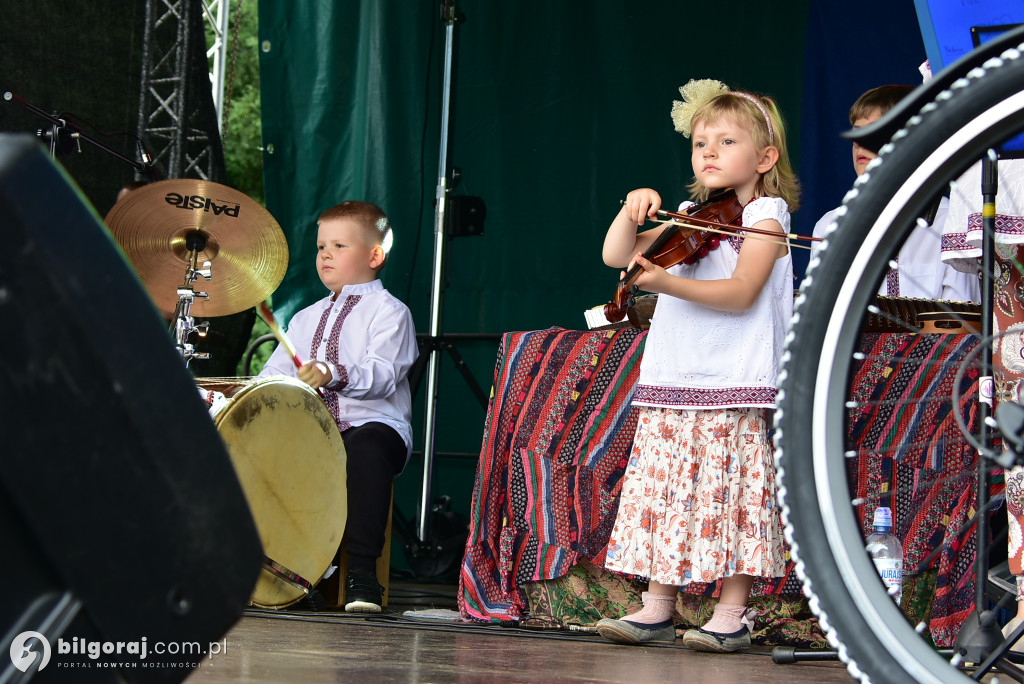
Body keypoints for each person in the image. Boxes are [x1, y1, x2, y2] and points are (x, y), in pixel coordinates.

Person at [595, 78, 797, 652]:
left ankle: (733, 612)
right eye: (699, 143)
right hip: (676, 376)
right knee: (666, 491)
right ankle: (657, 605)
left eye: (725, 142)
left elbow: (740, 293)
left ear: (764, 158)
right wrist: (631, 214)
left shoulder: (765, 215)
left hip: (732, 379)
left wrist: (664, 284)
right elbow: (617, 255)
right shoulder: (692, 216)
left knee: (731, 494)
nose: (707, 153)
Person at [257, 200, 418, 613]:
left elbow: (383, 374)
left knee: (363, 450)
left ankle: (361, 574)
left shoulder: (391, 313)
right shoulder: (303, 319)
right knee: (272, 455)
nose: (324, 254)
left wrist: (332, 373)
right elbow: (273, 377)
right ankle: (293, 572)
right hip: (315, 433)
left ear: (375, 255)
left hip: (374, 428)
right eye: (320, 246)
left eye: (339, 245)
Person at [812, 84, 980, 302]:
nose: (858, 143)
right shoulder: (829, 226)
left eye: (873, 131)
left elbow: (961, 326)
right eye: (856, 132)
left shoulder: (951, 223)